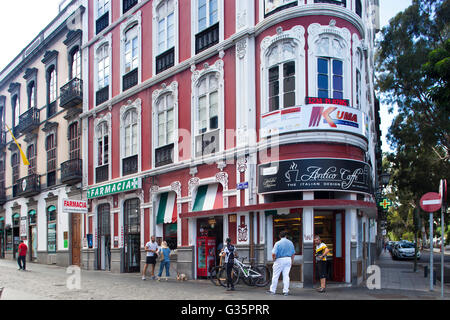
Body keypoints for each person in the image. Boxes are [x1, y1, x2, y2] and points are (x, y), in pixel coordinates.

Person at [267, 231, 295, 296]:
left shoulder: (278, 243)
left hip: (279, 260)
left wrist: (274, 260)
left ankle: (272, 290)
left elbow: (274, 253)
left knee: (275, 275)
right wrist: (292, 261)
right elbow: (293, 253)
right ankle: (286, 291)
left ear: (280, 236)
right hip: (288, 259)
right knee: (286, 276)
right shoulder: (290, 243)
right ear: (286, 236)